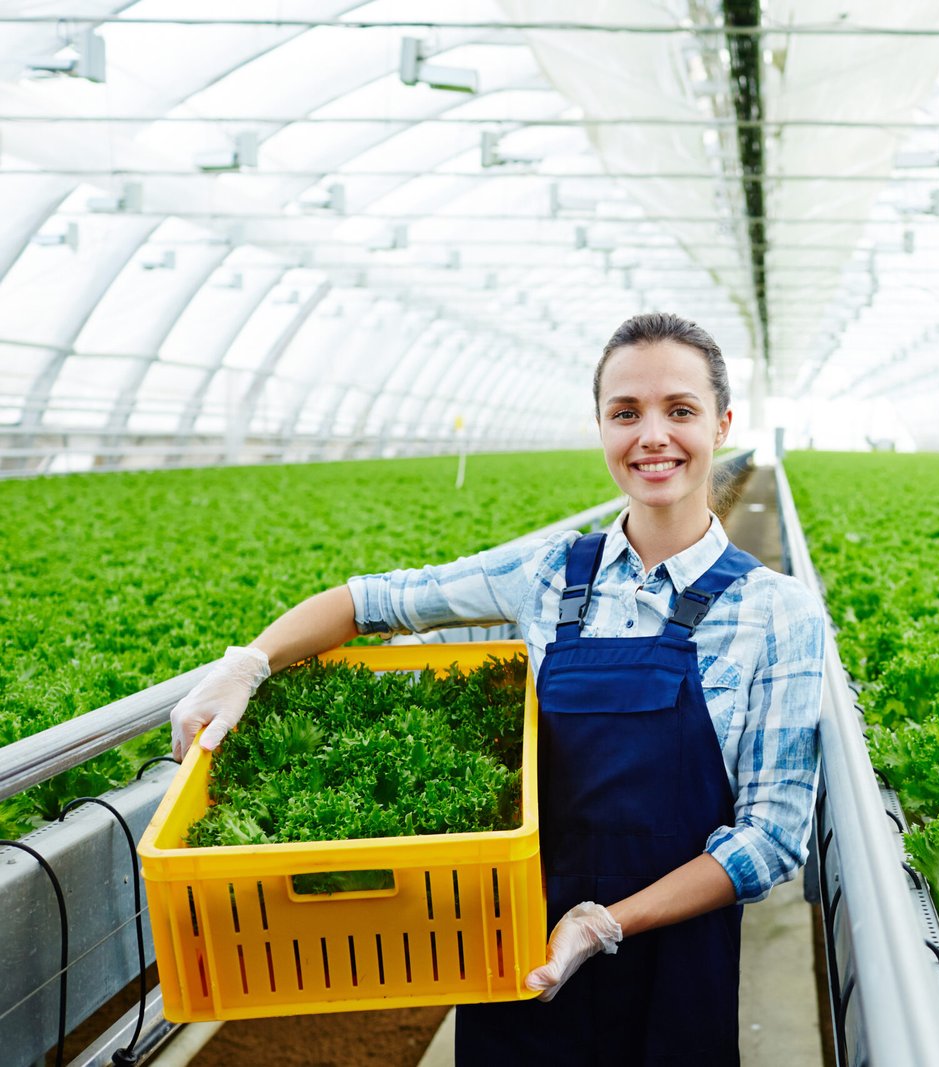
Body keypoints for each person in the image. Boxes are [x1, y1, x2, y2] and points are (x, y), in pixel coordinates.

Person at [168, 311, 827, 1065]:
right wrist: (247, 663)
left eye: (680, 410)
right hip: (515, 958)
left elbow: (771, 839)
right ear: (602, 427)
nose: (652, 436)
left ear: (722, 423)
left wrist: (603, 923)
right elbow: (371, 599)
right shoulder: (547, 573)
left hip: (673, 974)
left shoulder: (775, 611)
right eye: (626, 413)